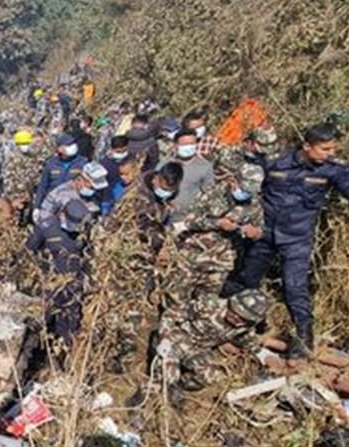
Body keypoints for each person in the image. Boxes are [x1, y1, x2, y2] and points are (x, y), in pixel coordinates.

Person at [222, 123, 349, 358]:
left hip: (297, 238)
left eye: (332, 148)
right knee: (247, 279)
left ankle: (303, 340)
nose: (330, 153)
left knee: (295, 287)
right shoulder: (276, 160)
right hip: (263, 233)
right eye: (325, 149)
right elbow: (245, 179)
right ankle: (239, 326)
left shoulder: (335, 169)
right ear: (307, 146)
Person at [85, 162, 184, 380]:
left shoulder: (162, 198)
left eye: (171, 190)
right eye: (164, 188)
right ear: (157, 178)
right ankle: (99, 353)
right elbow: (134, 231)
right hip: (124, 262)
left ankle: (122, 357)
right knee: (113, 306)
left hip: (143, 264)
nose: (166, 192)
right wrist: (163, 239)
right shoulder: (137, 197)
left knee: (133, 311)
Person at [159, 152, 264, 308]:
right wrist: (217, 223)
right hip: (193, 256)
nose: (246, 194)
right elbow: (189, 221)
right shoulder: (212, 193)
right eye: (244, 189)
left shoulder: (254, 204)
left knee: (206, 305)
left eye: (250, 191)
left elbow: (260, 230)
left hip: (221, 263)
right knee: (175, 299)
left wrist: (255, 233)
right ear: (233, 181)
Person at [157, 289, 271, 392]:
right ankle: (164, 385)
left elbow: (248, 342)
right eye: (235, 311)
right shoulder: (209, 305)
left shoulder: (245, 327)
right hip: (176, 340)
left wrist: (262, 355)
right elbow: (170, 315)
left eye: (243, 318)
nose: (236, 318)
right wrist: (165, 338)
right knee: (168, 377)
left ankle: (179, 387)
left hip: (199, 349)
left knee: (211, 376)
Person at [28, 198, 92, 346]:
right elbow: (29, 251)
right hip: (50, 284)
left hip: (74, 285)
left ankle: (64, 354)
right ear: (62, 214)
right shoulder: (46, 227)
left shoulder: (84, 230)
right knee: (41, 322)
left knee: (69, 324)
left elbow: (88, 254)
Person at [36, 161, 108, 223]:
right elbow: (44, 216)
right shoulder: (60, 193)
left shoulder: (92, 197)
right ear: (80, 179)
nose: (93, 190)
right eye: (91, 187)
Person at [161, 129, 213, 214]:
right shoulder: (165, 163)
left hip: (188, 218)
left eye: (192, 144)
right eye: (185, 144)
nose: (189, 147)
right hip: (165, 215)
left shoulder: (205, 166)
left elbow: (209, 194)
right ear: (175, 145)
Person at [33, 133, 88, 208]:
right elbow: (43, 186)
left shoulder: (82, 162)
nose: (72, 146)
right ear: (59, 149)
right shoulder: (51, 164)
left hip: (73, 204)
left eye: (73, 143)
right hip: (53, 204)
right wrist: (37, 206)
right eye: (68, 145)